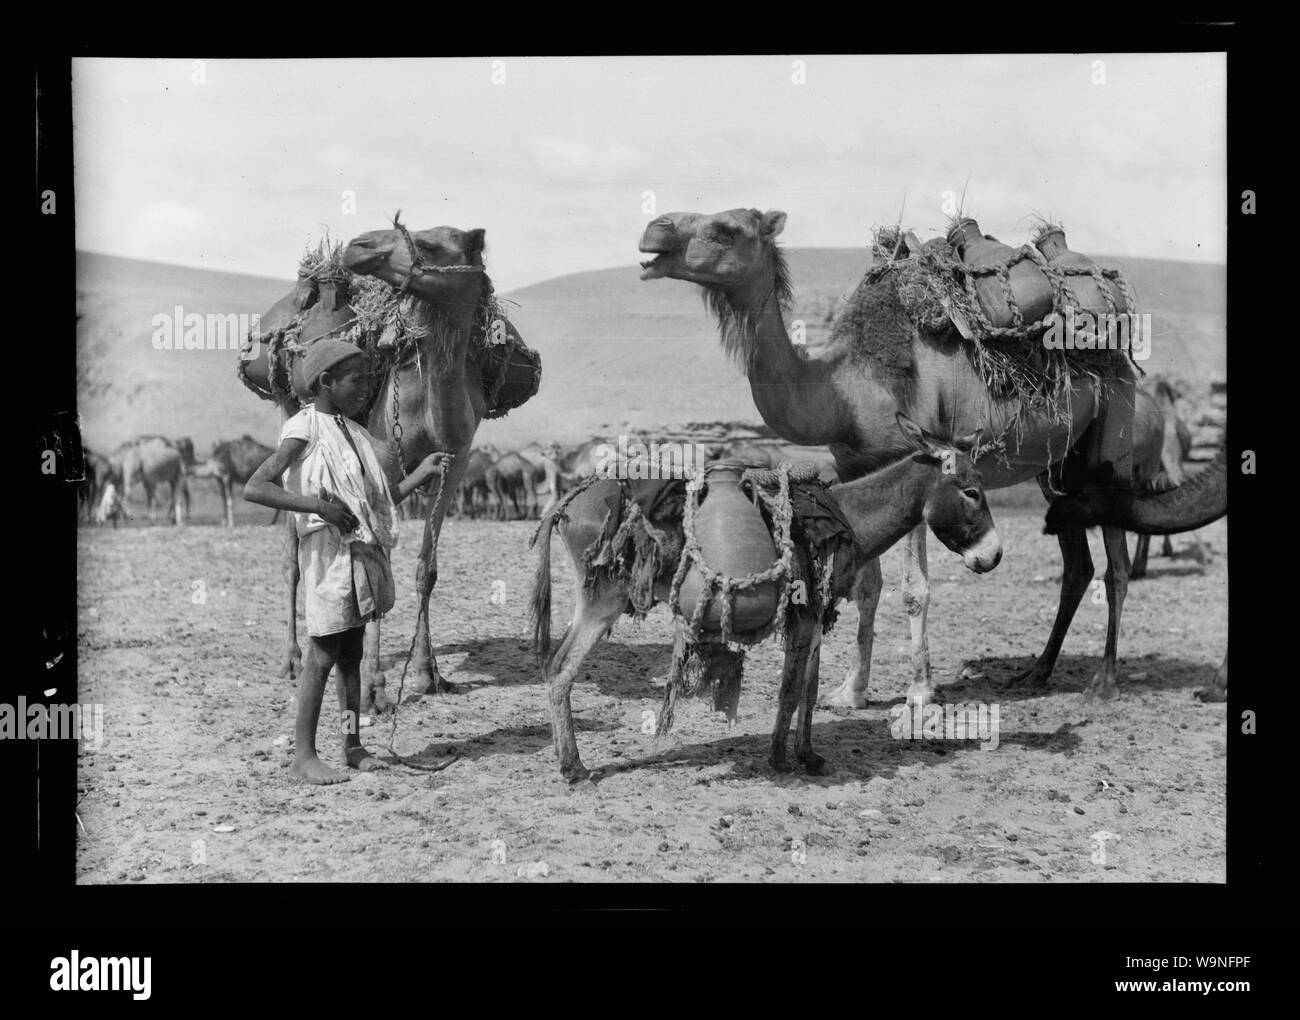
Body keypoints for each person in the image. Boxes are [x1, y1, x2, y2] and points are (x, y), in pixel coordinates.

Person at [245, 340, 451, 784]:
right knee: (323, 652)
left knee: (353, 653)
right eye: (355, 380)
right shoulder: (305, 428)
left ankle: (352, 745)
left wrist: (422, 473)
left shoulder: (355, 434)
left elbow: (376, 501)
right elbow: (255, 487)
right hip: (325, 553)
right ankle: (303, 755)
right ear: (325, 382)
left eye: (366, 379)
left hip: (359, 551)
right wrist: (317, 507)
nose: (365, 388)